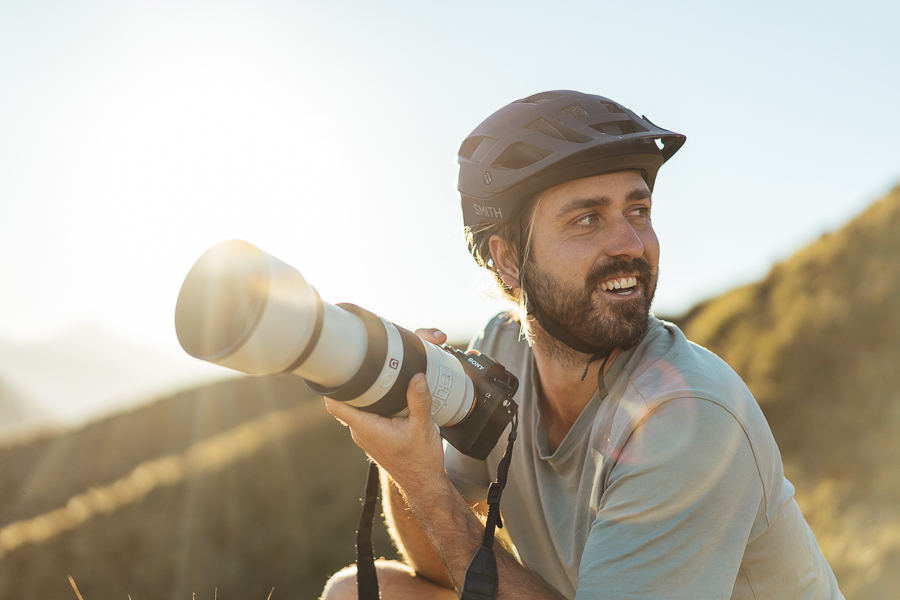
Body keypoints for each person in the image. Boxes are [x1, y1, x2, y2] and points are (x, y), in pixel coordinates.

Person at [320, 90, 843, 599]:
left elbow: (446, 526)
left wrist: (431, 492)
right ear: (507, 260)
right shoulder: (503, 349)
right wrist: (406, 436)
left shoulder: (685, 415)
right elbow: (442, 566)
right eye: (587, 219)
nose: (632, 245)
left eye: (638, 211)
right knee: (358, 593)